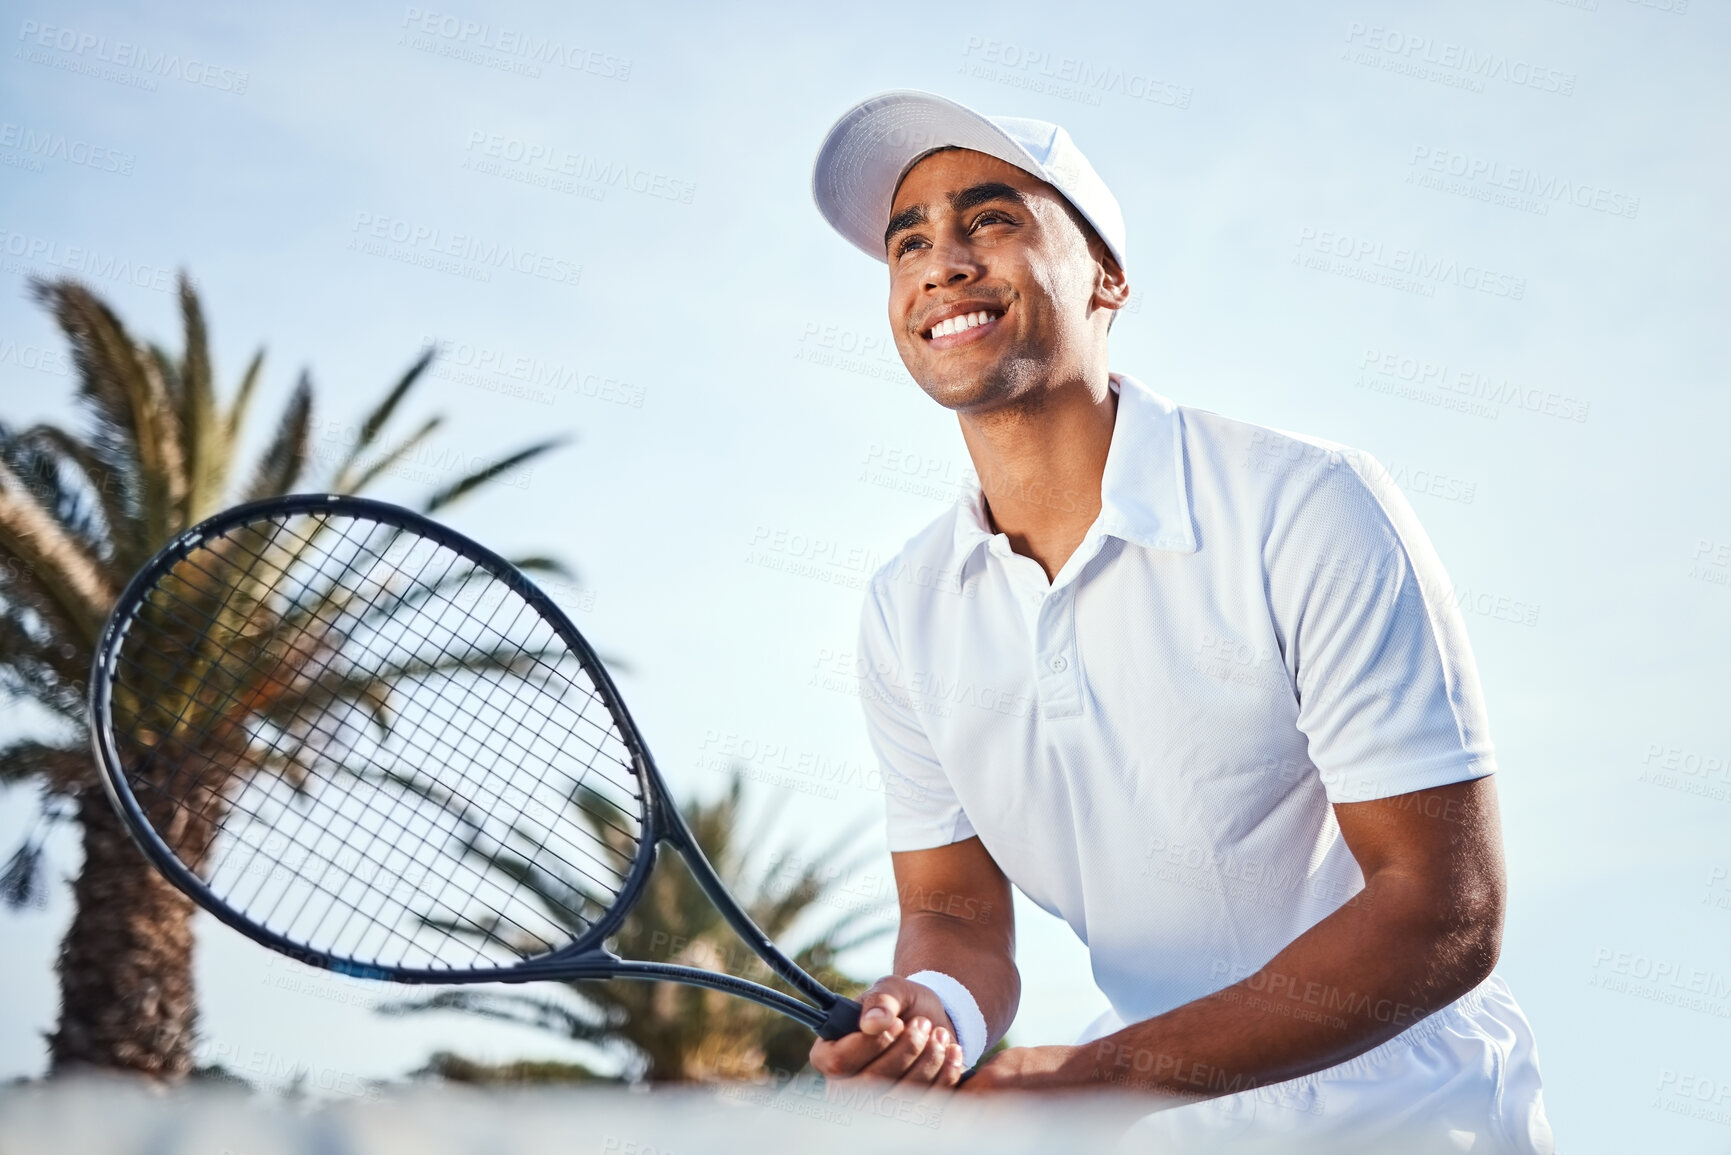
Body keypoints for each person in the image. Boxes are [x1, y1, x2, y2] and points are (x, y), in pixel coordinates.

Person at [804, 90, 1554, 1152]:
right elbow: (957, 918)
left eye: (992, 220)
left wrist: (1090, 1079)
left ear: (1106, 276)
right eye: (907, 241)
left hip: (1416, 1118)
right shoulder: (903, 609)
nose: (942, 263)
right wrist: (937, 1016)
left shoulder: (1303, 504)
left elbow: (1442, 911)